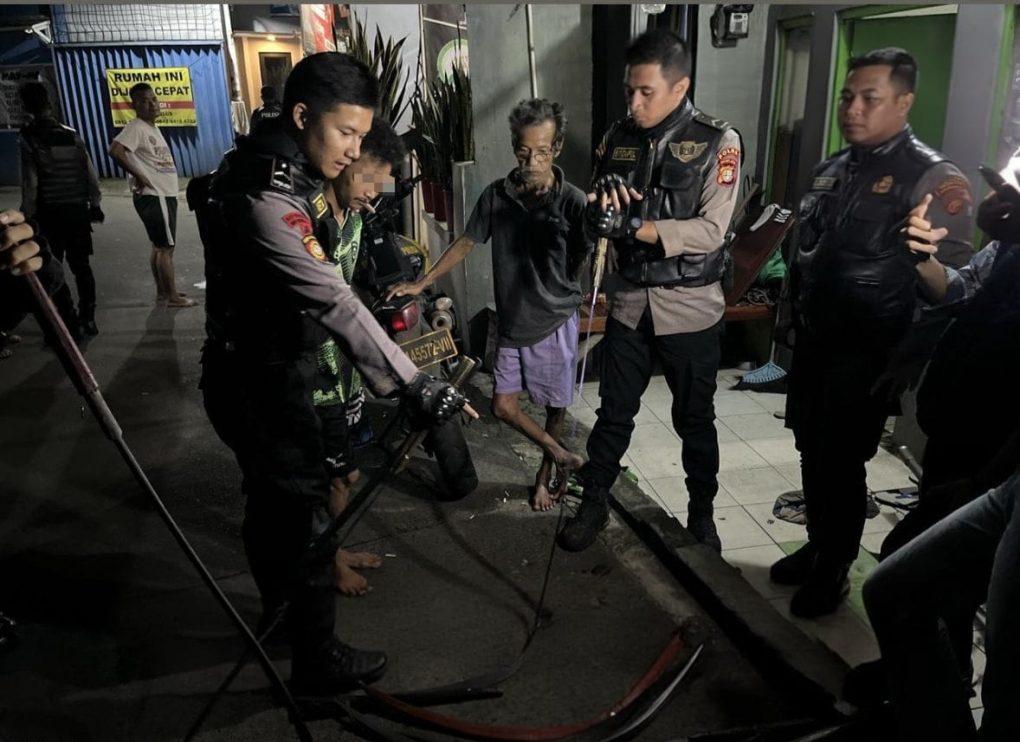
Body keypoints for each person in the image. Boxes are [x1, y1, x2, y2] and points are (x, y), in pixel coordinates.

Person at [196, 52, 471, 696]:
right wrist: (415, 384)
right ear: (302, 116)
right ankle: (317, 664)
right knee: (303, 520)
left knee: (272, 512)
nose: (353, 151)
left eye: (360, 135)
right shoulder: (269, 195)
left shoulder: (265, 168)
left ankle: (283, 619)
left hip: (249, 369)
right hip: (262, 381)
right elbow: (332, 299)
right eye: (346, 132)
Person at [769, 48, 975, 618]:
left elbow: (955, 286)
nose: (853, 109)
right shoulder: (832, 167)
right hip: (817, 342)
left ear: (904, 102)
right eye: (847, 96)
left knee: (841, 460)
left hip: (867, 352)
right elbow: (809, 253)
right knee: (811, 448)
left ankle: (834, 566)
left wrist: (906, 360)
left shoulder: (933, 177)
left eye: (870, 98)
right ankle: (819, 544)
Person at [559, 29, 742, 552]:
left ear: (679, 87)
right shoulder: (618, 136)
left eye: (646, 92)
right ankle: (595, 500)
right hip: (630, 302)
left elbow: (711, 230)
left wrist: (635, 227)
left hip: (689, 306)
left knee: (694, 420)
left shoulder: (718, 142)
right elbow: (600, 205)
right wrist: (596, 216)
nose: (634, 104)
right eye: (629, 91)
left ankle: (701, 515)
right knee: (614, 411)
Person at [388, 98, 588, 511]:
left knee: (555, 408)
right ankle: (558, 453)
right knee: (502, 406)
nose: (533, 162)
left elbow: (587, 253)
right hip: (513, 321)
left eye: (543, 152)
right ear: (514, 147)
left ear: (557, 148)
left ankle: (544, 479)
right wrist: (423, 281)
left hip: (554, 319)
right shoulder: (498, 195)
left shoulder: (573, 200)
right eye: (524, 152)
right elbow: (466, 241)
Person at [317, 117, 407, 596]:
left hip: (345, 370)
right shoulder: (310, 219)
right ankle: (332, 564)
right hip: (318, 379)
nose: (373, 192)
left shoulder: (353, 218)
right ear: (346, 161)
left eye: (381, 183)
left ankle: (334, 548)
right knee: (336, 477)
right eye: (368, 178)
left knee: (347, 472)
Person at [19, 82, 104, 336]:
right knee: (82, 267)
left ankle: (69, 321)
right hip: (77, 211)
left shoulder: (29, 137)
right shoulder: (72, 135)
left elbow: (31, 184)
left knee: (52, 268)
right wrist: (95, 204)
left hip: (49, 214)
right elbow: (90, 175)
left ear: (26, 106)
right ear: (49, 103)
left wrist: (26, 216)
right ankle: (88, 318)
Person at [109, 83, 196, 308]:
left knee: (159, 246)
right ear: (134, 105)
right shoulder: (136, 127)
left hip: (161, 194)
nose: (152, 105)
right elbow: (115, 150)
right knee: (166, 248)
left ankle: (163, 292)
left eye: (154, 99)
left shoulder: (150, 128)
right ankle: (173, 296)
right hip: (156, 195)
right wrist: (139, 176)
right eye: (144, 101)